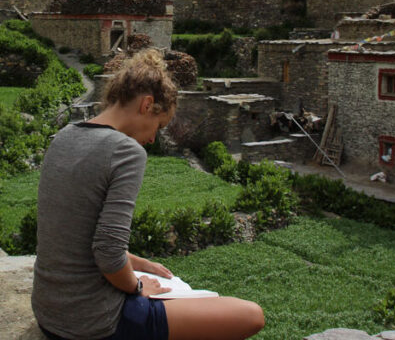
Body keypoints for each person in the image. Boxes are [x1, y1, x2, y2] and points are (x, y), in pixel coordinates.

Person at [32, 49, 265, 340]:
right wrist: (139, 286)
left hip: (48, 314)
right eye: (159, 125)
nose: (154, 138)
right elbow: (107, 254)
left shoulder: (65, 136)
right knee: (250, 315)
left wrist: (139, 263)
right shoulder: (126, 151)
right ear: (146, 105)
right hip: (93, 322)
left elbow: (72, 234)